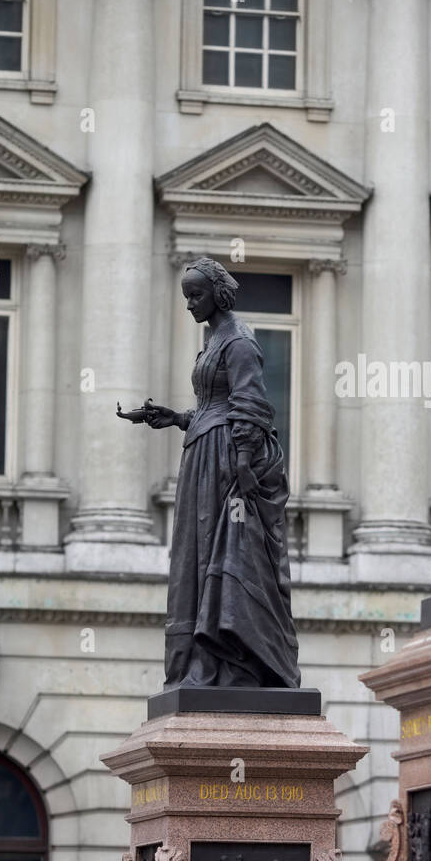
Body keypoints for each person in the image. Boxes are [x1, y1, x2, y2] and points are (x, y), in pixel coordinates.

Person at [121, 256, 300, 688]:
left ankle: (228, 658)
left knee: (219, 550)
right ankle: (196, 663)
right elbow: (213, 403)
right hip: (203, 450)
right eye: (186, 296)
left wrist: (241, 461)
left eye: (196, 295)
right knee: (194, 555)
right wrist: (178, 417)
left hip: (221, 459)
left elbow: (251, 402)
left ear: (218, 294)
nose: (189, 304)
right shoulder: (214, 338)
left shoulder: (238, 340)